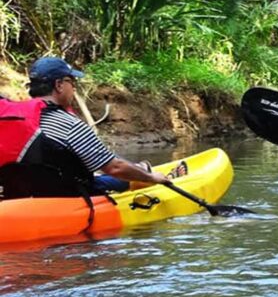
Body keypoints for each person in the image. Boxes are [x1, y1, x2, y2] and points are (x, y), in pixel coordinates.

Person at [0, 57, 172, 199]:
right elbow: (114, 168)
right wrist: (152, 178)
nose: (74, 86)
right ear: (59, 85)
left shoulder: (12, 118)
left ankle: (140, 171)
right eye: (71, 81)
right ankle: (146, 173)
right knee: (104, 177)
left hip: (19, 200)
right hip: (68, 201)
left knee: (94, 177)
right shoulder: (69, 125)